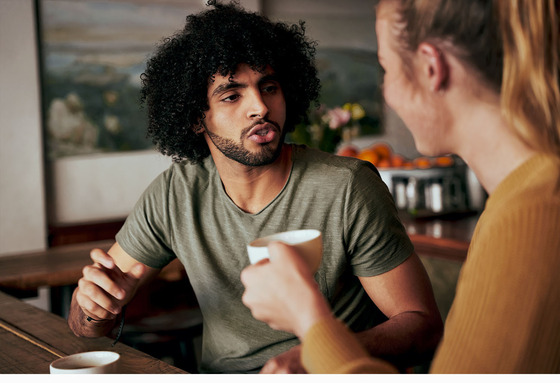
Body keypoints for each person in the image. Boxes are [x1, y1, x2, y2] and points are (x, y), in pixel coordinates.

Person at [66, 0, 443, 374]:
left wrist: (321, 355)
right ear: (197, 118)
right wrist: (95, 308)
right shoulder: (175, 194)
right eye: (232, 95)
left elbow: (423, 326)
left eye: (269, 87)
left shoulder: (347, 187)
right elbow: (84, 327)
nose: (260, 107)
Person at [241, 0, 560, 374]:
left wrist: (309, 319)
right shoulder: (517, 200)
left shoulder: (532, 216)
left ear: (430, 68)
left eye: (386, 69)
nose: (387, 91)